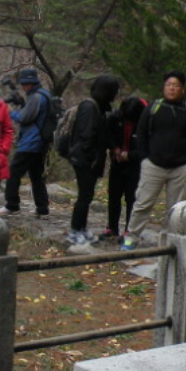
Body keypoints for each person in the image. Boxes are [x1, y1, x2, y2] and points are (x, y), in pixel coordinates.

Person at [122, 71, 186, 252]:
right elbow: (141, 132)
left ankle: (169, 241)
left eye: (176, 85)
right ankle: (131, 237)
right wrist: (144, 157)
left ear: (182, 89)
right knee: (143, 203)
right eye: (168, 85)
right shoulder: (153, 108)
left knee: (176, 208)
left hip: (181, 167)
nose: (172, 88)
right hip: (153, 165)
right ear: (163, 87)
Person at [67, 75, 121, 245]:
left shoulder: (99, 107)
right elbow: (87, 135)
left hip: (91, 160)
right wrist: (90, 159)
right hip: (85, 160)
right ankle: (75, 230)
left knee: (87, 196)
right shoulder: (90, 107)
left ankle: (81, 228)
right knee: (84, 196)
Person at [0, 68, 51, 217]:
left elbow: (24, 118)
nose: (23, 87)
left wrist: (11, 112)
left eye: (25, 84)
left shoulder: (36, 97)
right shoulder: (44, 95)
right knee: (36, 176)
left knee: (13, 172)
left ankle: (11, 205)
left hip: (31, 142)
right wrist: (22, 105)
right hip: (40, 142)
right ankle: (42, 208)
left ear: (31, 83)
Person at [105, 96, 147, 238]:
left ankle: (129, 229)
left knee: (132, 197)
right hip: (117, 161)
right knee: (114, 195)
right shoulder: (115, 117)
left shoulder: (145, 122)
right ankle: (111, 227)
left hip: (135, 164)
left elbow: (146, 147)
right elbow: (108, 135)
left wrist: (130, 155)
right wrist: (115, 148)